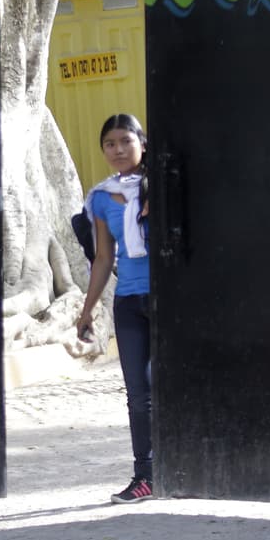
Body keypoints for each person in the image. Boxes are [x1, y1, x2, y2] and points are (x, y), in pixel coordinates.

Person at [75, 113, 153, 504]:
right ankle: (146, 475)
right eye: (110, 144)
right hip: (128, 302)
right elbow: (104, 258)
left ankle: (185, 468)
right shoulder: (102, 197)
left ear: (142, 142)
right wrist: (87, 309)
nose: (118, 150)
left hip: (169, 301)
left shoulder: (163, 185)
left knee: (167, 384)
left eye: (126, 141)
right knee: (138, 394)